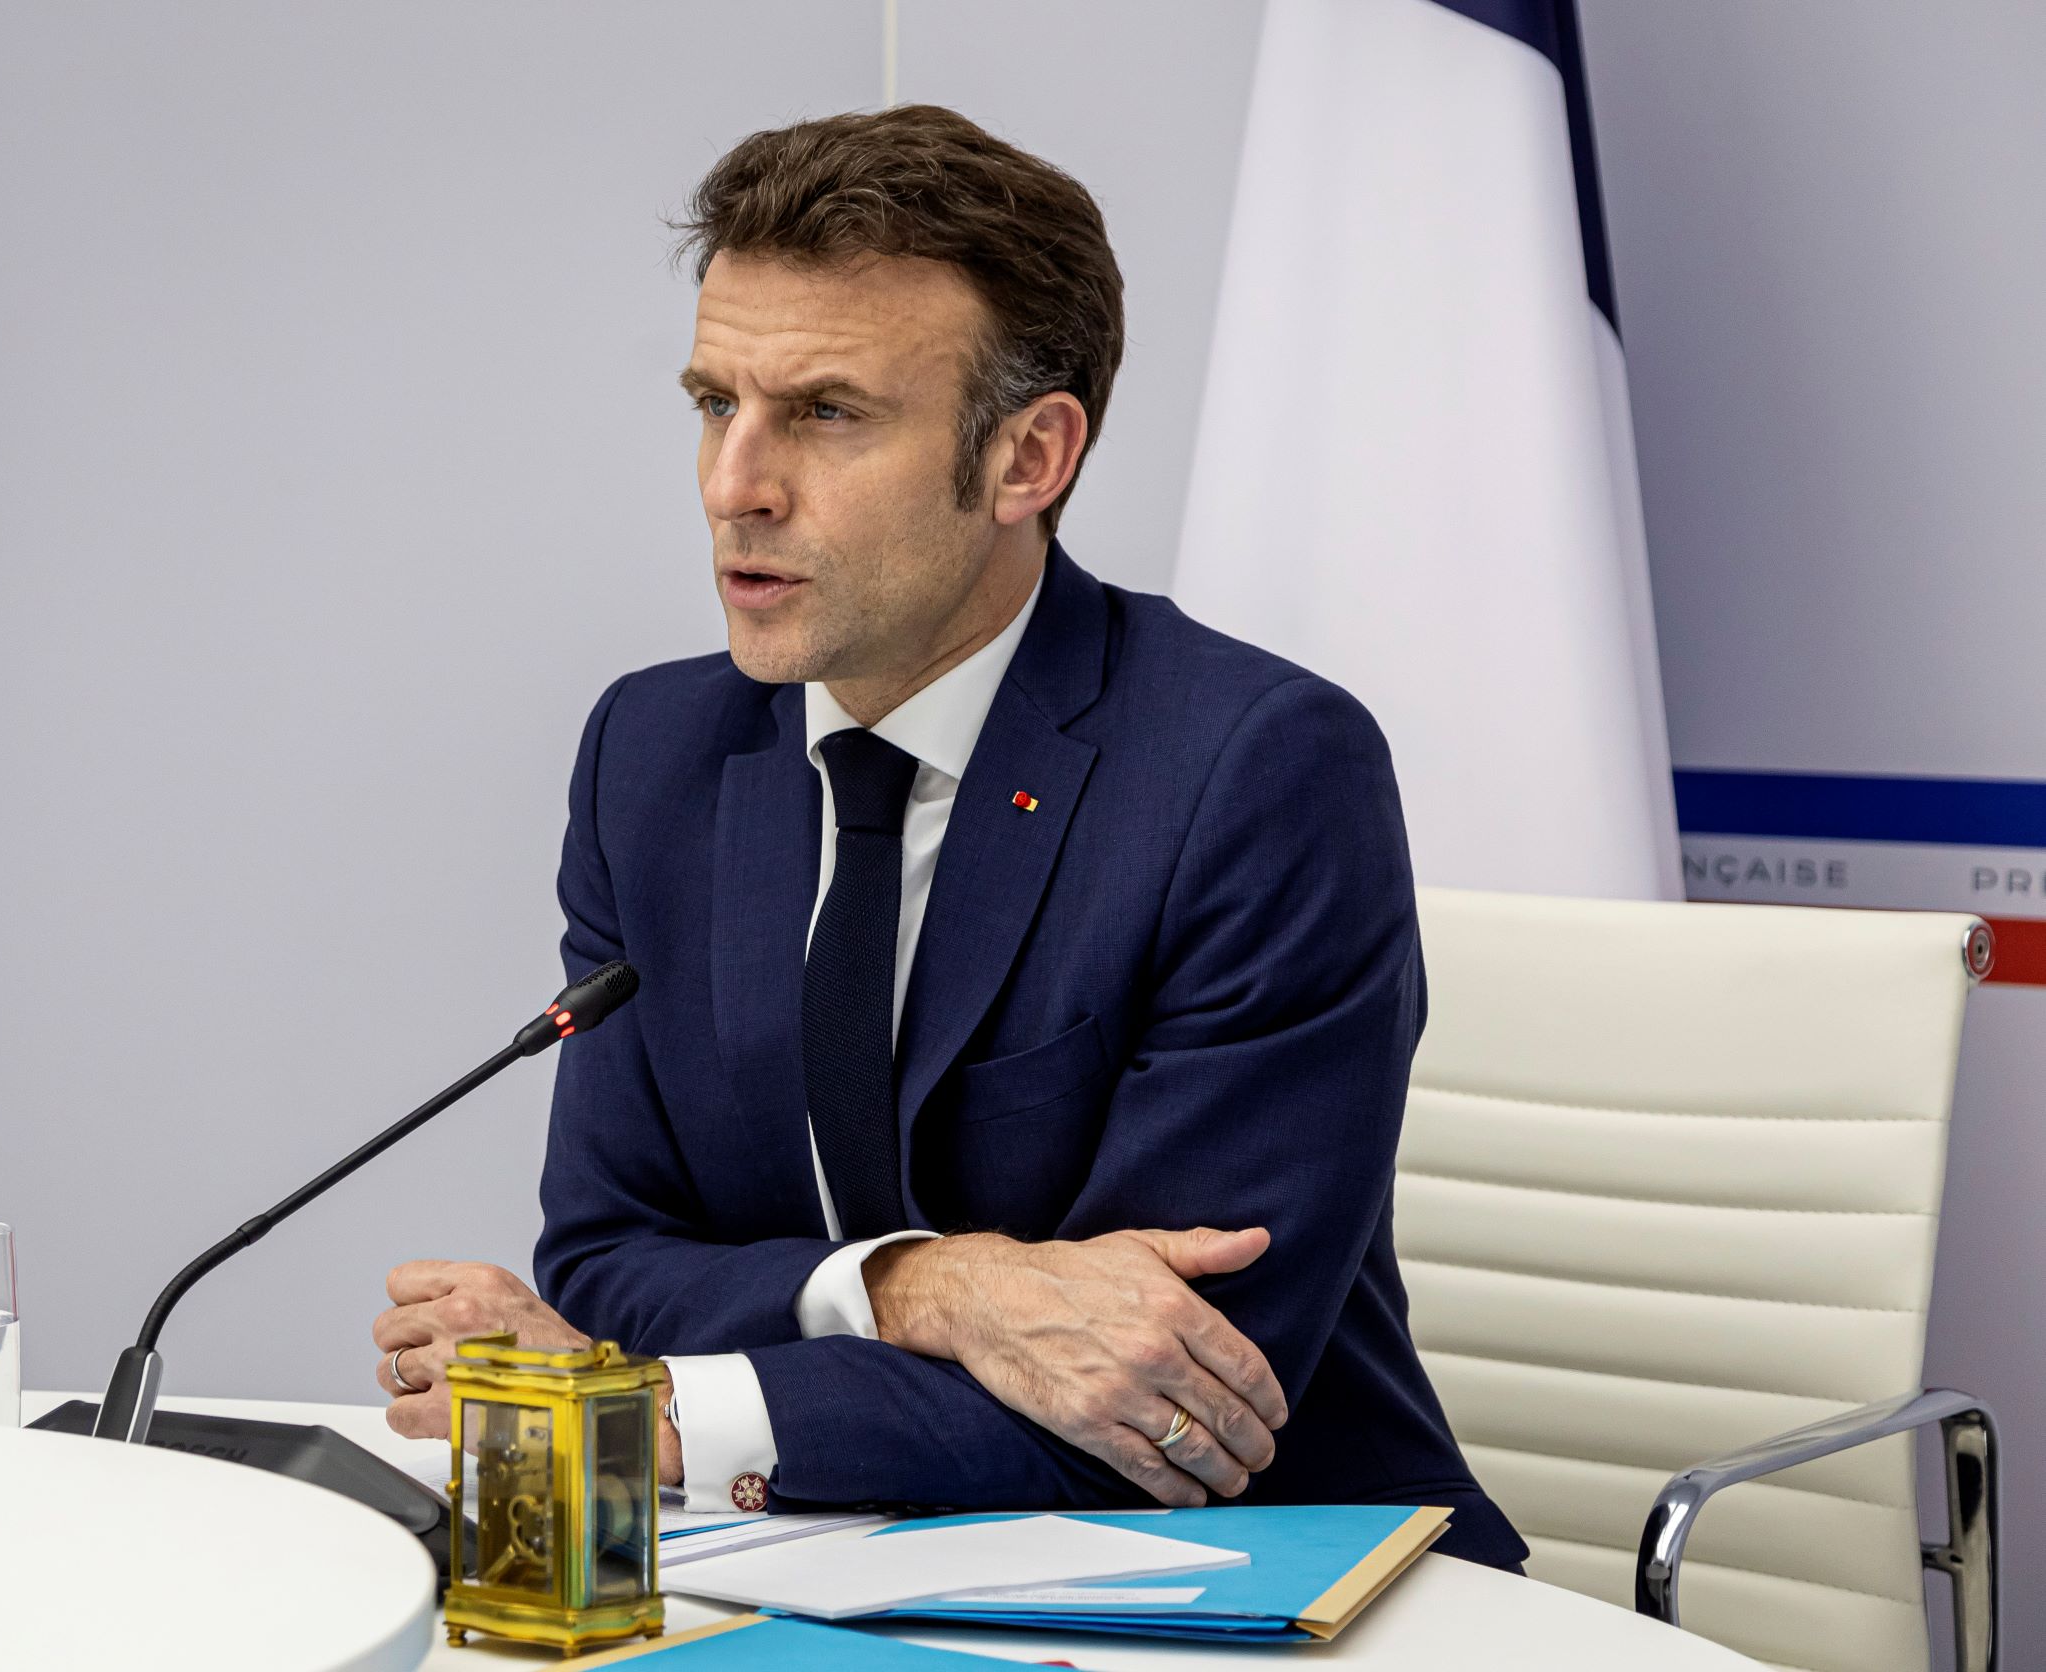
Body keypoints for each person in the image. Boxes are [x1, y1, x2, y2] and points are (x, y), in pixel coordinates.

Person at [373, 104, 1525, 1569]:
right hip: (821, 1566)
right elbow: (611, 1260)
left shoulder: (1252, 771)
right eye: (716, 403)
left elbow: (1168, 1394)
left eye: (826, 414)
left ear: (1027, 457)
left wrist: (650, 1412)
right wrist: (929, 1287)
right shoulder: (654, 755)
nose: (735, 485)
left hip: (1261, 1585)